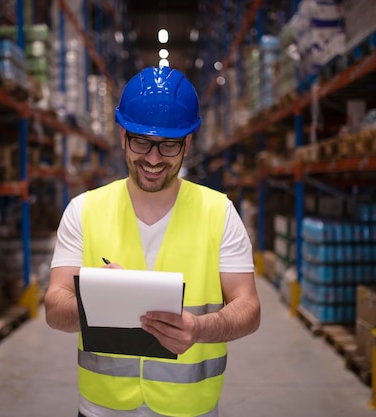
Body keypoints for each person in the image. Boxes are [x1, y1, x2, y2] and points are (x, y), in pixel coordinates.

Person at [44, 65, 261, 417]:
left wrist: (199, 330)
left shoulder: (219, 212)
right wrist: (94, 299)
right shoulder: (83, 210)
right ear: (122, 136)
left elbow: (249, 310)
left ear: (188, 142)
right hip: (103, 408)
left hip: (190, 409)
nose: (153, 158)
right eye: (141, 141)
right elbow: (55, 311)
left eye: (169, 145)